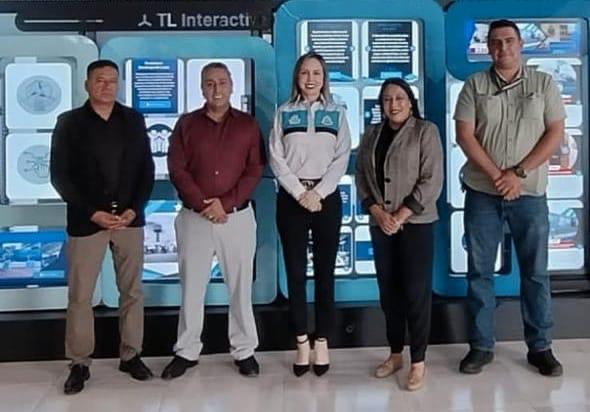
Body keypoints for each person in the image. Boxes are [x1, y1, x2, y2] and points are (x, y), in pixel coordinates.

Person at [454, 19, 566, 376]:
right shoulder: (474, 85)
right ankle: (481, 346)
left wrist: (517, 174)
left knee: (535, 273)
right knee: (479, 273)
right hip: (482, 193)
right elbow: (465, 136)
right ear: (488, 48)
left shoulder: (543, 84)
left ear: (521, 44)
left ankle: (541, 347)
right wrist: (497, 177)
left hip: (529, 193)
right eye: (496, 42)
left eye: (509, 41)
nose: (503, 47)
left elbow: (554, 133)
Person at [50, 59, 155, 394]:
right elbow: (60, 176)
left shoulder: (134, 120)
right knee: (81, 295)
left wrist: (134, 209)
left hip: (129, 220)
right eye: (100, 80)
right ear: (87, 85)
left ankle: (131, 355)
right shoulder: (69, 123)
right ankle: (79, 363)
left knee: (132, 291)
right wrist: (92, 212)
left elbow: (147, 170)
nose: (107, 86)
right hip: (87, 221)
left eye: (112, 80)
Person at [162, 62, 265, 379]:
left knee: (240, 288)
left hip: (236, 217)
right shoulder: (186, 124)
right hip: (195, 218)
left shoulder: (247, 125)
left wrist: (226, 203)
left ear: (231, 85)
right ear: (201, 88)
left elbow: (254, 169)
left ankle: (244, 350)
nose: (216, 89)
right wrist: (203, 204)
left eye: (222, 82)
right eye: (209, 83)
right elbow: (177, 168)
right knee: (192, 287)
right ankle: (187, 351)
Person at [355, 78, 443, 390]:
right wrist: (377, 212)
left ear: (410, 101)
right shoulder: (371, 134)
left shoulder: (425, 131)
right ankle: (395, 354)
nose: (393, 104)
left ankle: (418, 361)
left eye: (400, 98)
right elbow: (361, 176)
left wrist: (401, 214)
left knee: (416, 293)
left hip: (415, 224)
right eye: (387, 99)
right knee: (389, 293)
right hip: (381, 225)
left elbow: (431, 179)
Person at [269, 52, 351, 377]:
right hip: (292, 199)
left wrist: (318, 193)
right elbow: (276, 157)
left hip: (326, 199)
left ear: (324, 77)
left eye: (317, 73)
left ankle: (322, 340)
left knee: (325, 273)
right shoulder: (284, 112)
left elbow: (342, 157)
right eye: (305, 73)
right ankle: (301, 340)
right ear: (297, 77)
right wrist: (299, 192)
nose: (311, 79)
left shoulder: (337, 113)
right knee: (296, 272)